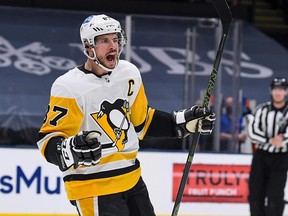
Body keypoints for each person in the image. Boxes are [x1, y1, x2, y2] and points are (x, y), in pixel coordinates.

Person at [36, 14, 216, 216]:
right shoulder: (69, 86)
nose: (113, 46)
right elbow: (48, 140)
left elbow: (143, 122)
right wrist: (71, 150)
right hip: (93, 187)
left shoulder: (128, 74)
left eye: (115, 39)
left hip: (132, 179)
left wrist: (181, 123)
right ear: (88, 47)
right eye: (104, 40)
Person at [248, 77, 288, 216]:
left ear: (286, 92)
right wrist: (270, 140)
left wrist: (284, 140)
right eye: (275, 89)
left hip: (281, 158)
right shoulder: (261, 110)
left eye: (282, 89)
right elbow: (252, 132)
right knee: (255, 196)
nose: (278, 92)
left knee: (275, 198)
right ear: (271, 91)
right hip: (261, 157)